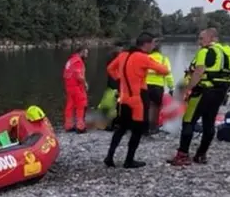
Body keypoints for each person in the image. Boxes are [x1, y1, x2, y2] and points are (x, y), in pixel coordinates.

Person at [168, 28, 230, 166]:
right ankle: (201, 155)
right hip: (219, 92)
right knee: (209, 122)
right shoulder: (224, 53)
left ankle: (182, 156)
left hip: (203, 92)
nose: (199, 42)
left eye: (201, 38)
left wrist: (187, 89)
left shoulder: (204, 52)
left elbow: (198, 73)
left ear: (212, 38)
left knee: (188, 121)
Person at [104, 32, 170, 168]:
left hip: (124, 98)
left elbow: (110, 68)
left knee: (121, 128)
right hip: (138, 99)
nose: (154, 46)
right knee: (137, 130)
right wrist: (150, 70)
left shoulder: (123, 55)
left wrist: (120, 79)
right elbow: (164, 70)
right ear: (146, 44)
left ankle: (109, 157)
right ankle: (129, 160)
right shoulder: (143, 57)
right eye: (153, 43)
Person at [145, 43, 174, 134]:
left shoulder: (146, 58)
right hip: (158, 86)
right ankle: (153, 127)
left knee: (145, 106)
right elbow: (168, 75)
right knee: (156, 107)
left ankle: (144, 127)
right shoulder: (164, 59)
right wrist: (171, 87)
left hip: (144, 85)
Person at [62, 45, 89, 133]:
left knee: (70, 106)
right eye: (86, 53)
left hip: (69, 86)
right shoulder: (78, 61)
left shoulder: (70, 60)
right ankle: (80, 127)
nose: (87, 55)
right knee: (80, 105)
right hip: (76, 86)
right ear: (81, 52)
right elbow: (79, 76)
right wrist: (85, 83)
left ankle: (68, 126)